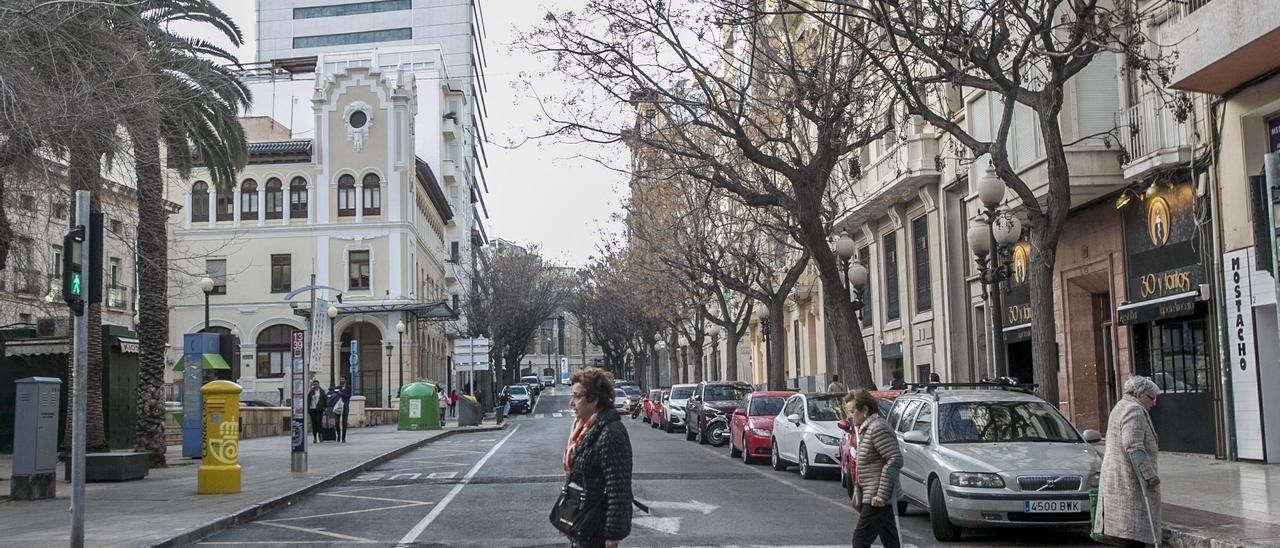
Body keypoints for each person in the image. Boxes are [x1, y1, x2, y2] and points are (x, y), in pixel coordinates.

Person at [561, 367, 633, 548]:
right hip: (583, 525)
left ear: (593, 399)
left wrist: (612, 536)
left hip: (597, 531)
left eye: (577, 396)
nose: (571, 402)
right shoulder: (585, 429)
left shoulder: (611, 433)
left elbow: (619, 489)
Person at [1095, 376, 1163, 548]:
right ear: (1140, 394)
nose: (1154, 403)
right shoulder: (1134, 410)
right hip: (1129, 482)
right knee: (1133, 534)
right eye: (1151, 397)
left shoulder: (1120, 406)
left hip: (1119, 479)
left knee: (1127, 534)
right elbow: (1133, 445)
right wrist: (1149, 475)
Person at [846, 389, 902, 548]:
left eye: (852, 411)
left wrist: (882, 495)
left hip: (877, 497)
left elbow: (894, 459)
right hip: (875, 494)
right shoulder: (867, 428)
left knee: (860, 540)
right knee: (890, 540)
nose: (850, 416)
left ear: (865, 410)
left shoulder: (877, 428)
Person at [334, 375, 352, 443]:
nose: (341, 380)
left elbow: (348, 396)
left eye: (342, 379)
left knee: (344, 422)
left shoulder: (349, 388)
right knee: (337, 422)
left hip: (345, 406)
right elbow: (334, 395)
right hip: (337, 407)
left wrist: (341, 393)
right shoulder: (337, 387)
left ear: (345, 380)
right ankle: (338, 435)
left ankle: (343, 437)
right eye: (340, 379)